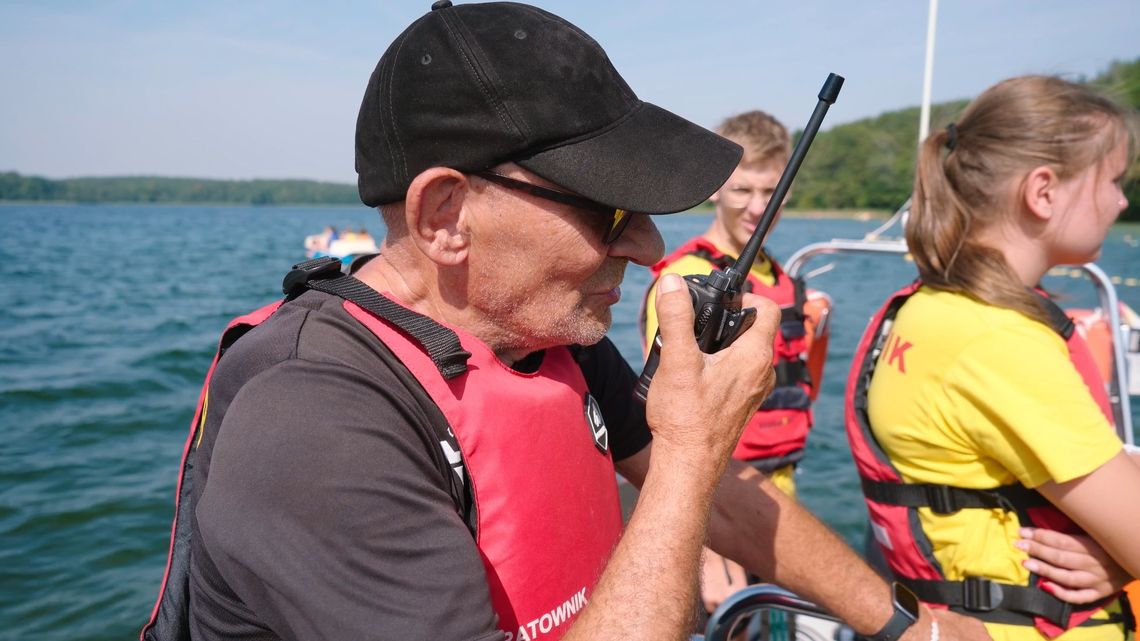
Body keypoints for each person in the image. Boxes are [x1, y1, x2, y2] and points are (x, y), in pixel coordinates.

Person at [143, 3, 996, 641]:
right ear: (445, 215)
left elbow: (722, 503)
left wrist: (903, 627)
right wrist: (696, 451)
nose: (648, 243)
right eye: (609, 206)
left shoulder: (546, 338)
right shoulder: (314, 420)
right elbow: (688, 475)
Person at [844, 75, 1140, 641]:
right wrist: (1123, 555)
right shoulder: (995, 342)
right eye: (1115, 180)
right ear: (1043, 191)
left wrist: (1115, 552)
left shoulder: (927, 308)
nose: (1122, 201)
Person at [639, 110, 832, 614]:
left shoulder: (783, 280)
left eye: (771, 191)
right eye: (743, 190)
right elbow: (666, 417)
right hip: (723, 501)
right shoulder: (687, 280)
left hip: (782, 489)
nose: (757, 207)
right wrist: (703, 542)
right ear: (717, 189)